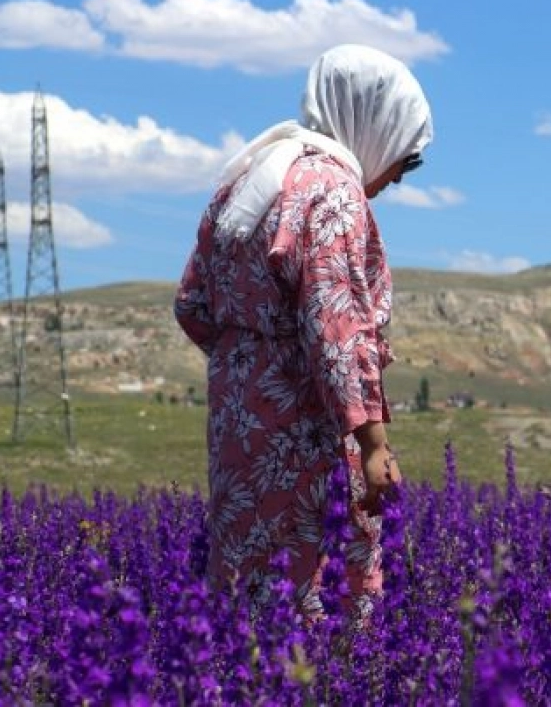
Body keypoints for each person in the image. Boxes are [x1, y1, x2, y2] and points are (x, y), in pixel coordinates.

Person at [174, 44, 428, 622]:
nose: (396, 177)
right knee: (314, 598)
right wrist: (373, 446)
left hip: (238, 424)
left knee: (245, 595)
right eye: (405, 159)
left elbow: (191, 303)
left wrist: (247, 366)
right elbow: (336, 329)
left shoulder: (247, 180)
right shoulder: (333, 191)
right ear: (375, 124)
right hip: (307, 428)